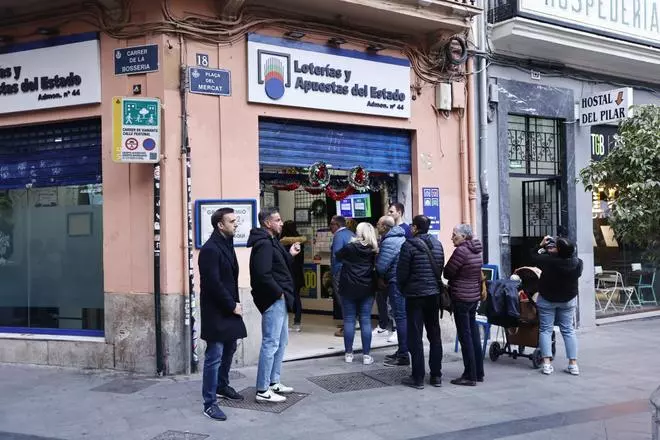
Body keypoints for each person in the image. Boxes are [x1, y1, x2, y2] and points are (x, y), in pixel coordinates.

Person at [198, 208, 248, 421]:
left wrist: (234, 304)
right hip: (217, 310)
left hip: (229, 308)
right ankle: (209, 403)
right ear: (220, 224)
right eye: (232, 221)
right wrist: (231, 305)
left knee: (231, 346)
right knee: (214, 354)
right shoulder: (210, 249)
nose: (236, 224)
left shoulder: (226, 244)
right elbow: (213, 283)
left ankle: (222, 385)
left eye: (236, 220)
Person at [247, 207, 301, 403]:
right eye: (277, 220)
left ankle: (273, 381)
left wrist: (291, 253)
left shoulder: (272, 242)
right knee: (271, 343)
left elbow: (279, 265)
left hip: (280, 298)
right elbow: (262, 274)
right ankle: (262, 389)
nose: (281, 223)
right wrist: (278, 293)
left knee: (281, 341)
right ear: (268, 223)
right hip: (274, 299)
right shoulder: (264, 244)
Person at [397, 215, 445, 389]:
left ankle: (417, 377)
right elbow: (440, 267)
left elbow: (401, 273)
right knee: (435, 336)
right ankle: (436, 375)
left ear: (416, 228)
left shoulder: (408, 245)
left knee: (415, 336)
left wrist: (404, 289)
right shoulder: (438, 245)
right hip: (434, 295)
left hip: (415, 296)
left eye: (412, 226)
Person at [532, 236, 583, 376]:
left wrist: (541, 245)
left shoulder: (549, 261)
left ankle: (547, 364)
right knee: (568, 330)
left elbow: (533, 256)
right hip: (568, 300)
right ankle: (573, 364)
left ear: (559, 250)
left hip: (547, 299)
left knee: (546, 330)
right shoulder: (577, 263)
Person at [444, 224, 485, 386]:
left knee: (465, 336)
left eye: (454, 234)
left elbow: (448, 272)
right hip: (473, 297)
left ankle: (469, 375)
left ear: (463, 237)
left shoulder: (461, 251)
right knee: (473, 334)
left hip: (461, 297)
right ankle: (478, 372)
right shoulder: (476, 251)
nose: (452, 237)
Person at [335, 222, 379, 365]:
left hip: (348, 286)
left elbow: (337, 256)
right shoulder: (374, 250)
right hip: (367, 287)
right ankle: (366, 356)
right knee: (365, 320)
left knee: (349, 320)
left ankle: (349, 354)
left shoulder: (350, 247)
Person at [375, 215, 409, 367]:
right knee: (401, 317)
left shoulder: (389, 241)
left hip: (395, 282)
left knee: (400, 317)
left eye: (378, 224)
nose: (376, 227)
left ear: (384, 227)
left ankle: (403, 354)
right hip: (401, 281)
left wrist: (378, 273)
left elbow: (382, 266)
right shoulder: (401, 237)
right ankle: (403, 350)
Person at [329, 215, 355, 337]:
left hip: (340, 271)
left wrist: (334, 272)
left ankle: (347, 327)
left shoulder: (338, 236)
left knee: (342, 299)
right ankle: (352, 323)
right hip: (352, 272)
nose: (330, 227)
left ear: (337, 225)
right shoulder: (351, 233)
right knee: (350, 298)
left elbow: (336, 256)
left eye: (331, 224)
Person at [280, 220, 306, 332]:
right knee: (297, 298)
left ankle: (284, 323)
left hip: (287, 274)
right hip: (298, 273)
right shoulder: (300, 242)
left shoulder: (282, 243)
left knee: (285, 298)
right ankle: (297, 322)